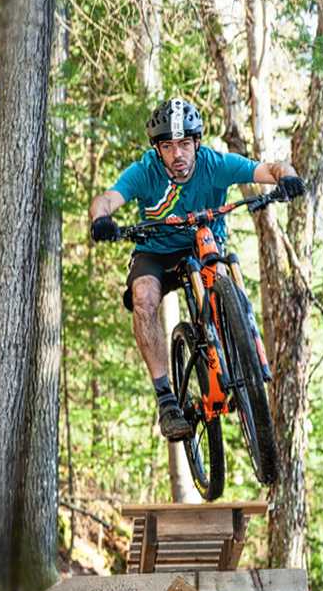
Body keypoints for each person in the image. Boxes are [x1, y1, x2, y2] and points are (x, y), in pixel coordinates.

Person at [89, 97, 305, 441]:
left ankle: (238, 348)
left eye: (185, 144)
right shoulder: (145, 172)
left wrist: (288, 177)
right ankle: (166, 400)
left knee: (222, 271)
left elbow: (270, 168)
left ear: (197, 143)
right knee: (143, 298)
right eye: (169, 146)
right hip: (157, 251)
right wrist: (101, 219)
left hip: (204, 246)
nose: (178, 155)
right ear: (158, 149)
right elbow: (107, 198)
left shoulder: (215, 164)